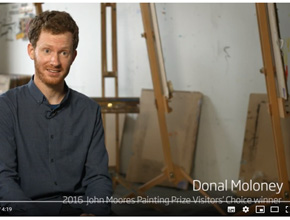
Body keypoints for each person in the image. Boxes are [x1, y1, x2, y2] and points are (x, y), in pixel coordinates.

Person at [0, 10, 112, 216]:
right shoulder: (5, 107)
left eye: (63, 52)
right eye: (47, 51)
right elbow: (3, 179)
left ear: (73, 56)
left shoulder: (89, 111)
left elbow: (98, 177)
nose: (55, 62)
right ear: (31, 51)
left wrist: (95, 212)